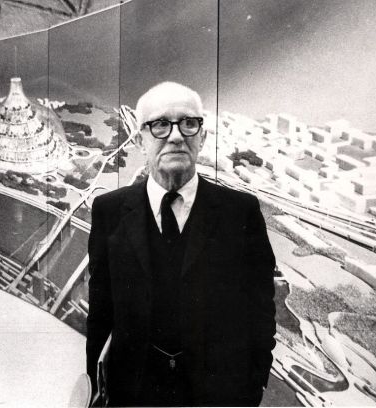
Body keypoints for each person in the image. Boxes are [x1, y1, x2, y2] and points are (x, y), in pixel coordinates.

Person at [86, 82, 276, 406]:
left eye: (189, 123)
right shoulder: (109, 212)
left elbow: (260, 314)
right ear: (139, 139)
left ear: (202, 137)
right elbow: (101, 314)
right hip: (133, 396)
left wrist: (249, 393)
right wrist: (96, 387)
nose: (176, 136)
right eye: (160, 124)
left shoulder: (240, 212)